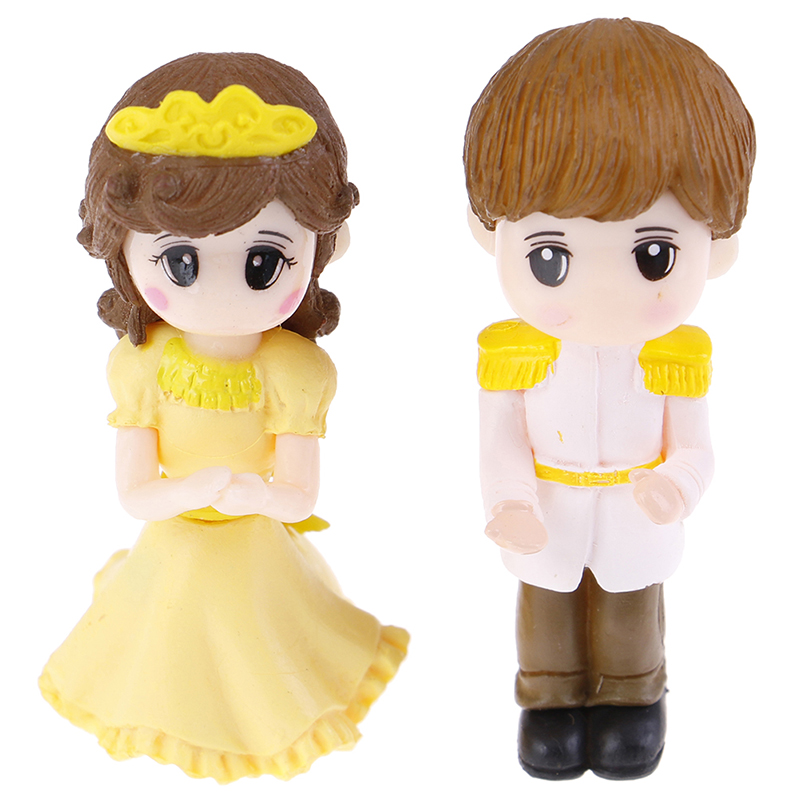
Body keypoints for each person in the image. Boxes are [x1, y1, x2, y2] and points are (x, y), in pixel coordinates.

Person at [39, 52, 408, 783]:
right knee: (161, 642)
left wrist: (253, 496)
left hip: (255, 549)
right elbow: (134, 492)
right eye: (180, 263)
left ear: (322, 247)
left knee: (266, 654)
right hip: (175, 542)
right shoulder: (142, 366)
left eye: (262, 264)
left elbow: (300, 495)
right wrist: (191, 491)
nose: (221, 295)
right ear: (121, 250)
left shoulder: (292, 372)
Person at [464, 19, 754, 780]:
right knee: (545, 609)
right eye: (550, 258)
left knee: (631, 609)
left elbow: (696, 445)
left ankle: (633, 696)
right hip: (547, 508)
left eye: (653, 255)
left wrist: (676, 486)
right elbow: (500, 440)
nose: (600, 293)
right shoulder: (514, 355)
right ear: (490, 234)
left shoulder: (672, 358)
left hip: (633, 509)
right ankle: (549, 699)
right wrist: (510, 499)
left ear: (718, 247)